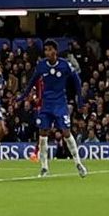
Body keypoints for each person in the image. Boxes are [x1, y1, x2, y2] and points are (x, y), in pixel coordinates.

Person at [33, 45, 88, 177]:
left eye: (50, 49)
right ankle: (44, 167)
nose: (47, 52)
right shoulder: (41, 65)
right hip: (46, 105)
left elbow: (77, 81)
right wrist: (23, 96)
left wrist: (80, 101)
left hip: (60, 104)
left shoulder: (65, 65)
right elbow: (31, 82)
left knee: (66, 132)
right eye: (45, 50)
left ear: (55, 51)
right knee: (43, 133)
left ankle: (78, 163)